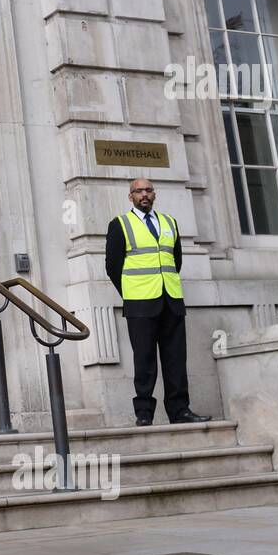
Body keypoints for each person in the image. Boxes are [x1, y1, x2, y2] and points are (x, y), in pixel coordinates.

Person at [104, 177, 212, 426]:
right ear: (130, 196)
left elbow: (176, 260)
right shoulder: (120, 224)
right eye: (138, 191)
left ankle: (179, 410)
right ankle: (144, 413)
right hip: (139, 303)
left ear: (155, 194)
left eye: (148, 190)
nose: (144, 194)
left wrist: (166, 287)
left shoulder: (169, 222)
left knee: (175, 359)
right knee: (144, 360)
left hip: (171, 300)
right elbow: (112, 267)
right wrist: (132, 292)